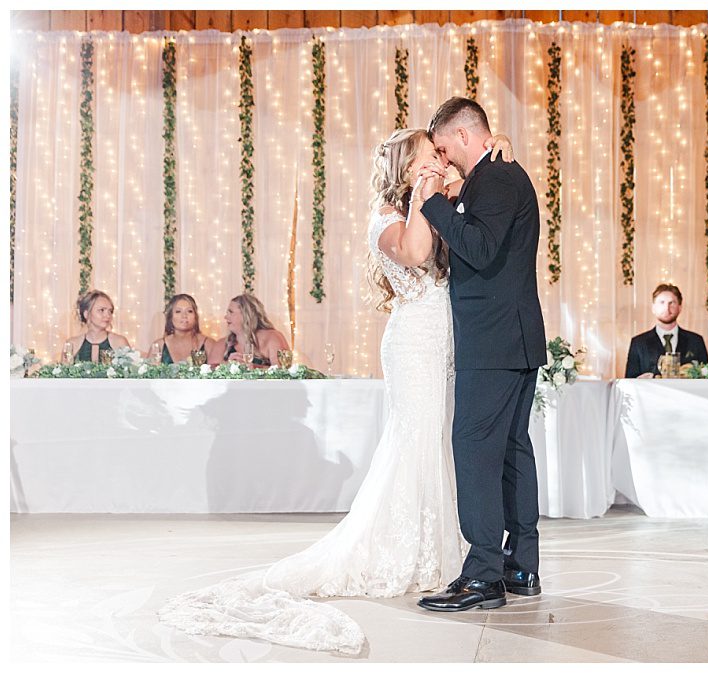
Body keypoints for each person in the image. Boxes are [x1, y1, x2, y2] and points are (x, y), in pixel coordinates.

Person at [158, 128, 513, 654]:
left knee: (441, 440)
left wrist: (488, 162)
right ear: (405, 167)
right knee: (415, 440)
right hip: (414, 342)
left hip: (445, 341)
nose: (437, 161)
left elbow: (473, 195)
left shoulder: (431, 196)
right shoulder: (388, 219)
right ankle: (408, 552)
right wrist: (426, 192)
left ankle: (446, 549)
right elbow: (417, 254)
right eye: (426, 156)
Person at [414, 96, 546, 612]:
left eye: (444, 148)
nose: (442, 159)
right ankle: (521, 565)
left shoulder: (495, 177)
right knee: (512, 450)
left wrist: (434, 205)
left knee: (473, 449)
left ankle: (484, 573)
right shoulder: (498, 174)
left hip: (493, 340)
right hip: (511, 337)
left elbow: (483, 248)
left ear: (466, 136)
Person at [625, 283, 708, 378]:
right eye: (662, 302)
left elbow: (706, 377)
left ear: (680, 307)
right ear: (653, 308)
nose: (667, 308)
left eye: (672, 303)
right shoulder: (638, 343)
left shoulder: (696, 341)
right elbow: (629, 381)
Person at [205, 293, 289, 367]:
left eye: (231, 312)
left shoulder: (272, 337)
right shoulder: (221, 344)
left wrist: (255, 368)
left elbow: (282, 372)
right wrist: (226, 366)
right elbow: (209, 374)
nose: (226, 317)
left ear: (247, 314)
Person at [64, 290, 131, 362]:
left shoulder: (120, 342)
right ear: (86, 314)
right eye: (102, 310)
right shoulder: (72, 344)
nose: (108, 315)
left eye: (110, 311)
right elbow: (63, 371)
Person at [147, 294, 214, 364]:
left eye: (189, 311)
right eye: (178, 311)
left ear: (195, 316)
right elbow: (148, 373)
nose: (184, 316)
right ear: (170, 316)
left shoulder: (208, 344)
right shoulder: (159, 346)